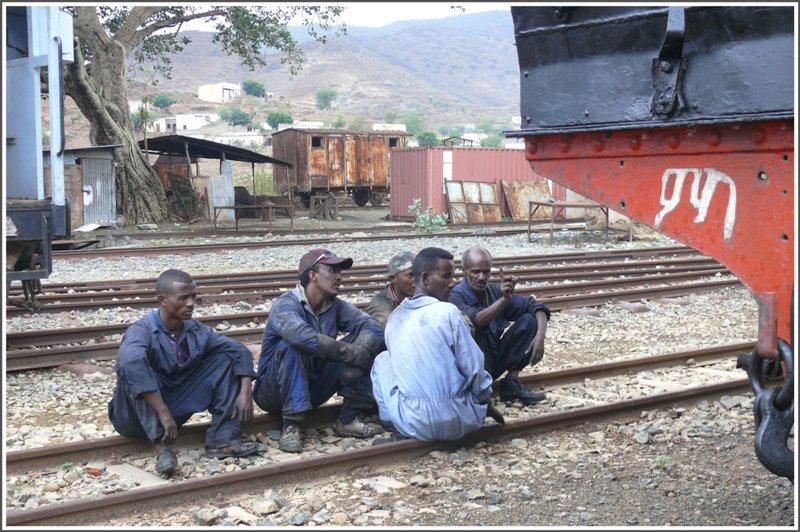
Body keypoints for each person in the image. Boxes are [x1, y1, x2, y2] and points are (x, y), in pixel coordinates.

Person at [108, 269, 260, 477]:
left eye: (193, 297)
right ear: (162, 300)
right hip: (133, 417)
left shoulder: (195, 330)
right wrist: (161, 410)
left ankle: (222, 440)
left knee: (224, 358)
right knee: (133, 365)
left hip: (172, 409)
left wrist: (245, 392)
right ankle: (162, 449)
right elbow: (130, 363)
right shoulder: (141, 330)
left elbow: (238, 350)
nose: (191, 303)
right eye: (183, 298)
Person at [253, 248, 385, 453]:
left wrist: (360, 350)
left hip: (312, 388)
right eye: (332, 270)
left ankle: (349, 418)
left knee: (367, 340)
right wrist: (350, 354)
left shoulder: (335, 306)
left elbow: (373, 326)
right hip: (272, 393)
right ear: (313, 276)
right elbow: (302, 337)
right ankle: (292, 425)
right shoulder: (286, 304)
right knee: (294, 346)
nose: (339, 276)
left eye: (339, 271)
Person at [371, 246, 504, 443]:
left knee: (383, 360)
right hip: (462, 421)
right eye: (447, 277)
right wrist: (487, 406)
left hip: (414, 424)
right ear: (425, 279)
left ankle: (395, 427)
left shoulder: (395, 319)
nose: (453, 283)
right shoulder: (449, 312)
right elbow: (474, 369)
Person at [449, 246, 550, 405]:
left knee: (529, 320)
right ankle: (476, 392)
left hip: (492, 360)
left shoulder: (493, 291)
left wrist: (540, 337)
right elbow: (477, 320)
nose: (481, 277)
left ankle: (511, 382)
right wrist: (504, 300)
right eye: (475, 272)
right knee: (480, 333)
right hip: (470, 370)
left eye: (486, 272)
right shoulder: (455, 295)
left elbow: (535, 306)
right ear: (464, 271)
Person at [364, 250, 416, 328]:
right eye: (410, 275)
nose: (417, 279)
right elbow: (383, 326)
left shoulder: (420, 294)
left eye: (418, 274)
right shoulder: (380, 305)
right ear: (393, 278)